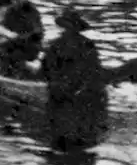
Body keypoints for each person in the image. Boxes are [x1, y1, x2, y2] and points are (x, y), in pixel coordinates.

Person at [41, 8, 108, 150]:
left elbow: (93, 69)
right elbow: (48, 68)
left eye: (72, 25)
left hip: (75, 92)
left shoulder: (84, 45)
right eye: (68, 25)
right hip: (65, 92)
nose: (70, 29)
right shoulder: (57, 45)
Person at [0, 0, 45, 80]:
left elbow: (39, 29)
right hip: (8, 49)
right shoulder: (6, 9)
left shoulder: (33, 11)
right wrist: (9, 34)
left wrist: (38, 34)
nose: (27, 0)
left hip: (26, 50)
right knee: (6, 66)